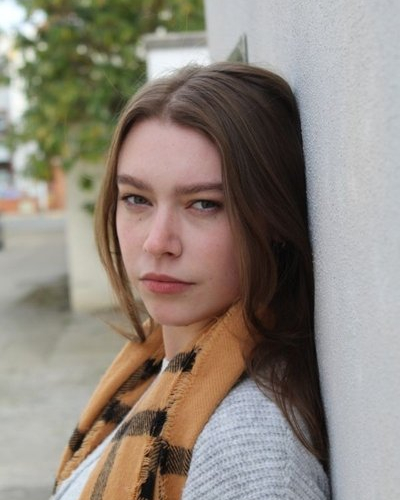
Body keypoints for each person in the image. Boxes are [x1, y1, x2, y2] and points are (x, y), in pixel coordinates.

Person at [51, 62, 330, 500]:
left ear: (273, 219)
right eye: (137, 199)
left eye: (203, 204)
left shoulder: (246, 454)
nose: (158, 242)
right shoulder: (150, 369)